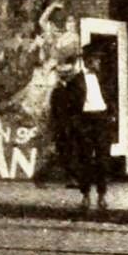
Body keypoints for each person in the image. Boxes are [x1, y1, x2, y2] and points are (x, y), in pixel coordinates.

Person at [34, 55, 84, 188]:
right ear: (65, 77)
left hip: (64, 126)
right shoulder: (59, 91)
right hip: (63, 126)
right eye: (68, 75)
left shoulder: (62, 90)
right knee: (61, 154)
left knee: (65, 153)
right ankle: (40, 176)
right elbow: (59, 112)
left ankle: (71, 179)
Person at [74, 44, 112, 211]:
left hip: (101, 119)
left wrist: (112, 115)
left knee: (103, 159)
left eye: (99, 59)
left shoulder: (103, 78)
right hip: (86, 120)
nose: (99, 62)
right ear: (88, 60)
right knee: (85, 159)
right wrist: (77, 124)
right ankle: (85, 195)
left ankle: (102, 195)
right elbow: (71, 105)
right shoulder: (76, 80)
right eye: (96, 59)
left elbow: (110, 98)